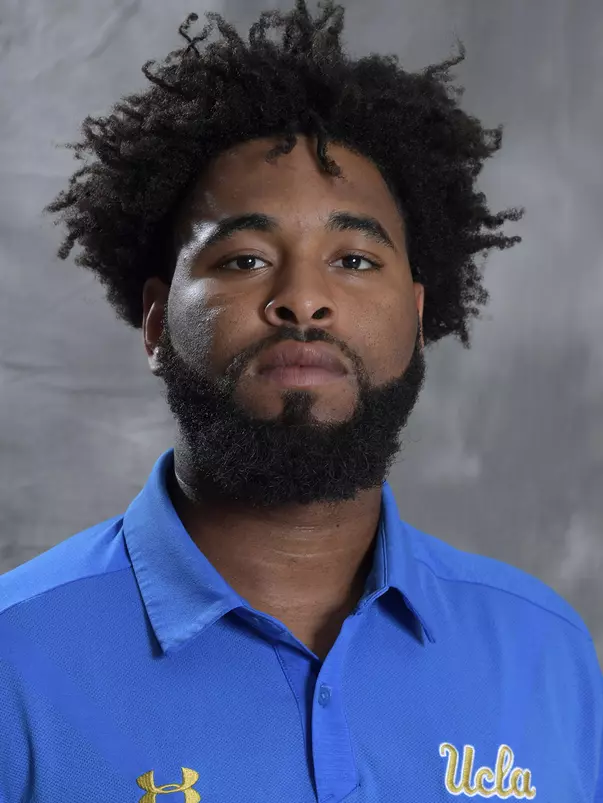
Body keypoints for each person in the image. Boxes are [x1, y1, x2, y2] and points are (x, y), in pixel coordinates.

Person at [1, 1, 601, 800]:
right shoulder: (15, 656)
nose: (303, 300)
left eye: (353, 260)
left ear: (416, 318)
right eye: (244, 259)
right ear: (156, 323)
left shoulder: (546, 650)